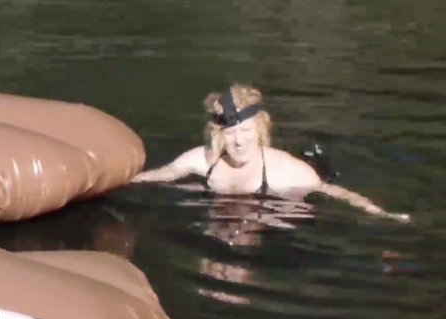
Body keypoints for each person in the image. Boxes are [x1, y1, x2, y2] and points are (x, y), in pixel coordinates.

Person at [131, 84, 411, 223]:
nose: (239, 142)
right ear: (218, 135)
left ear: (261, 130)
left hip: (285, 192)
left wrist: (383, 214)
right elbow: (163, 174)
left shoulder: (286, 171)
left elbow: (334, 192)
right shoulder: (204, 160)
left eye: (247, 131)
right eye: (231, 133)